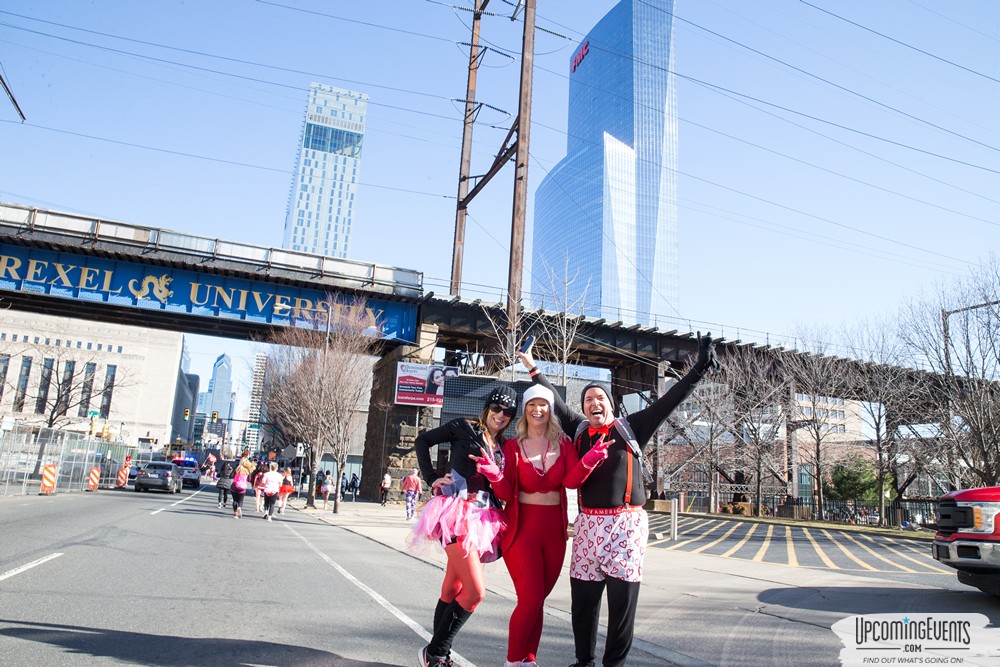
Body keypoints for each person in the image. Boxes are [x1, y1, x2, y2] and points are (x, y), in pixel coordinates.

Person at [518, 334, 718, 667]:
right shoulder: (579, 430)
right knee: (582, 602)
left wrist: (697, 369)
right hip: (587, 526)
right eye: (588, 400)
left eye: (600, 398)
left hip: (626, 525)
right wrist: (532, 367)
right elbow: (553, 398)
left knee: (622, 605)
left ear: (610, 404)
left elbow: (671, 401)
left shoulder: (632, 427)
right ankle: (584, 661)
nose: (594, 403)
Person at [409, 385, 517, 667]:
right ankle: (435, 652)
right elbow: (423, 441)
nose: (501, 415)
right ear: (487, 408)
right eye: (496, 408)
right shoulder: (463, 427)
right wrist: (432, 476)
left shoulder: (505, 446)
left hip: (484, 518)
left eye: (508, 412)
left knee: (452, 587)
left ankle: (437, 657)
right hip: (455, 512)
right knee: (474, 592)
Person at [491, 385, 597, 667]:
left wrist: (589, 460)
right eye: (531, 405)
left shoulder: (563, 443)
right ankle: (512, 661)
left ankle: (529, 659)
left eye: (543, 404)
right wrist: (493, 475)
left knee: (538, 600)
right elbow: (504, 493)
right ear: (524, 411)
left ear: (550, 410)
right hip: (522, 530)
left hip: (554, 532)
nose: (537, 409)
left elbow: (572, 481)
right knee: (530, 597)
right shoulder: (513, 446)